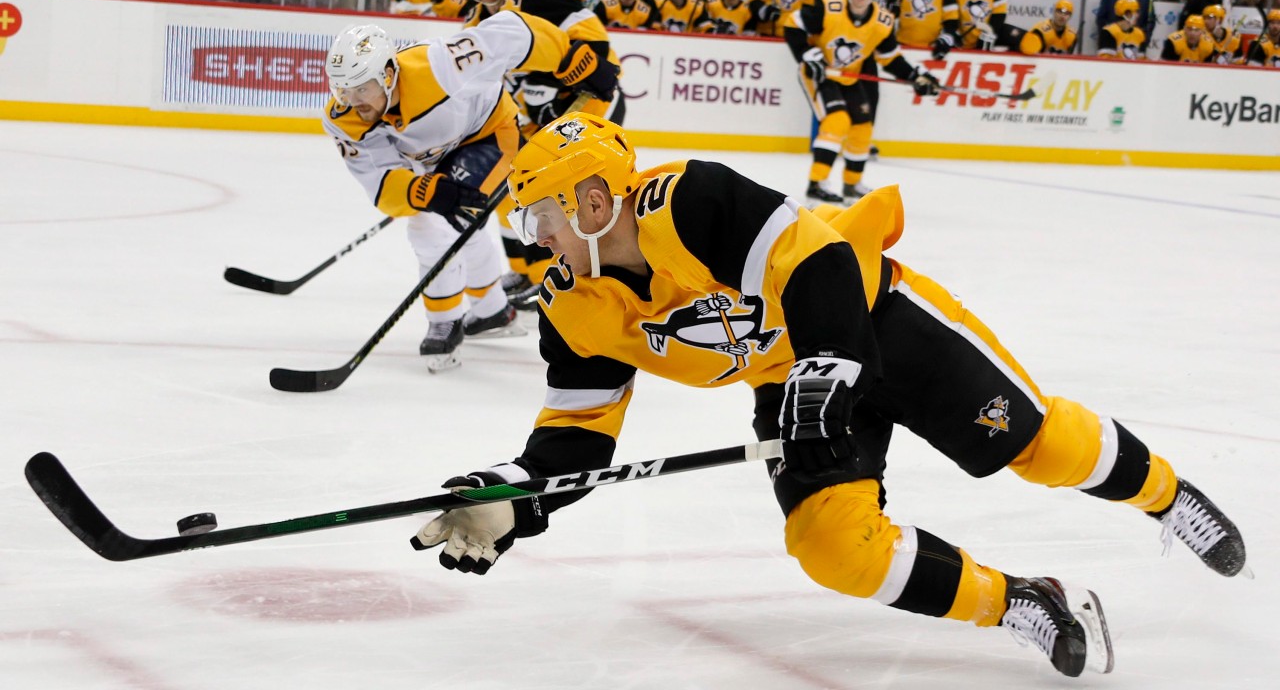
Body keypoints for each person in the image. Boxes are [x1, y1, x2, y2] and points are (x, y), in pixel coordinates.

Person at [412, 112, 1249, 679]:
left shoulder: (687, 201)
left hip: (869, 316)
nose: (533, 241)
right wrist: (517, 498)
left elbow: (814, 262)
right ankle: (1022, 601)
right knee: (834, 548)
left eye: (541, 217)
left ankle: (1168, 496)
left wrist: (831, 369)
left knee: (1041, 448)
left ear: (594, 201)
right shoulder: (573, 301)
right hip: (791, 379)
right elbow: (579, 434)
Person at [320, 12, 617, 370]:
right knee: (451, 222)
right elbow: (381, 182)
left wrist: (573, 60)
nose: (353, 101)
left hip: (490, 134)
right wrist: (421, 191)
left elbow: (513, 32)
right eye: (342, 89)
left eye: (360, 87)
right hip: (436, 156)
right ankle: (492, 311)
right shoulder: (344, 120)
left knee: (430, 227)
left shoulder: (439, 66)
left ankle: (443, 321)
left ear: (387, 74)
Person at [459, 0, 625, 308]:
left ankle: (568, 274)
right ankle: (529, 271)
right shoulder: (473, 27)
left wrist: (586, 64)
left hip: (590, 102)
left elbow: (597, 49)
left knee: (564, 195)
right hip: (538, 117)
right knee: (512, 190)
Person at [785, 0, 941, 205]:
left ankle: (851, 185)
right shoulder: (829, 8)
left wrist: (916, 76)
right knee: (837, 121)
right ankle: (816, 185)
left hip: (849, 77)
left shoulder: (882, 22)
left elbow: (891, 58)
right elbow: (792, 23)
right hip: (819, 75)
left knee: (863, 127)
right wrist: (807, 54)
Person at [889, 0, 960, 56]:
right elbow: (892, 13)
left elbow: (951, 21)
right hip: (902, 46)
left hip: (931, 49)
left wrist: (945, 40)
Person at [951, 0, 1016, 51]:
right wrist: (953, 33)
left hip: (988, 34)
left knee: (1024, 41)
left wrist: (989, 32)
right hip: (963, 38)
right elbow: (950, 15)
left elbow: (1000, 14)